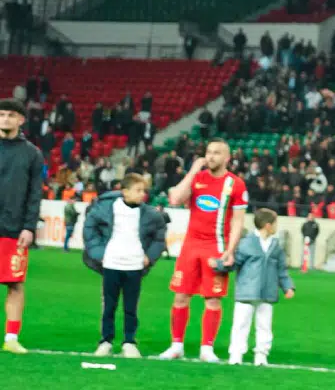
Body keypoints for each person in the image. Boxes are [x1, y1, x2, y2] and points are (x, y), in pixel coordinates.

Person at [157, 139, 248, 362]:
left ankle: (207, 348)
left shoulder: (235, 184)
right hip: (190, 247)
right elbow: (175, 199)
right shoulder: (197, 178)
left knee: (213, 299)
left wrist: (230, 250)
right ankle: (176, 345)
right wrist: (193, 170)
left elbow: (238, 221)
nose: (211, 156)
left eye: (216, 153)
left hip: (215, 248)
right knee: (181, 296)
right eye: (208, 152)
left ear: (227, 158)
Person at [82, 173, 168, 357]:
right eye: (138, 190)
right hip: (111, 263)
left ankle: (129, 342)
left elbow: (159, 237)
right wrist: (99, 253)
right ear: (125, 191)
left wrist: (150, 256)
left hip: (134, 265)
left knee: (131, 308)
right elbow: (90, 228)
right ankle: (106, 341)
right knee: (109, 306)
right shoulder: (106, 208)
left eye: (144, 190)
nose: (143, 194)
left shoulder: (150, 214)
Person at [213, 208, 295, 366]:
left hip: (267, 293)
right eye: (275, 223)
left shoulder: (276, 246)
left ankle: (261, 355)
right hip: (246, 292)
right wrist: (219, 265)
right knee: (240, 324)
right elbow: (234, 262)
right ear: (267, 225)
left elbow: (281, 269)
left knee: (265, 326)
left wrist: (287, 286)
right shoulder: (246, 243)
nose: (276, 226)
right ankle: (236, 354)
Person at [0, 98, 42, 354]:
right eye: (1, 114)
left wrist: (29, 226)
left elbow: (35, 193)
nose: (5, 119)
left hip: (14, 228)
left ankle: (12, 337)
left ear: (21, 120)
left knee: (15, 284)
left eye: (10, 115)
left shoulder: (32, 154)